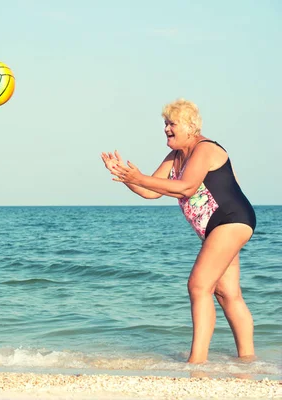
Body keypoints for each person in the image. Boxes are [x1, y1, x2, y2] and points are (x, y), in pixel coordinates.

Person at [100, 99, 256, 364]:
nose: (166, 129)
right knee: (227, 293)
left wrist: (139, 177)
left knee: (198, 286)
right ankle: (248, 360)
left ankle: (197, 362)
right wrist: (128, 179)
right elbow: (152, 190)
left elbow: (186, 187)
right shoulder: (175, 157)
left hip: (230, 220)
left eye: (172, 123)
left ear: (190, 127)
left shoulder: (204, 149)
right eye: (165, 124)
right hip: (218, 227)